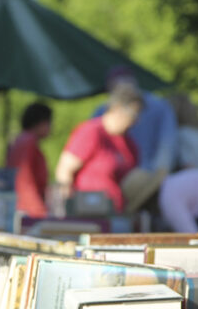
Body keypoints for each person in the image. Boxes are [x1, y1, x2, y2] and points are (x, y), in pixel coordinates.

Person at [55, 81, 141, 213]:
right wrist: (68, 207)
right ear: (117, 108)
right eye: (133, 115)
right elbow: (64, 170)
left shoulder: (129, 143)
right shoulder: (92, 132)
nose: (135, 121)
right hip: (88, 213)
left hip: (117, 213)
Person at [92, 66, 177, 173]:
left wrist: (158, 175)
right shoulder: (102, 111)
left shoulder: (159, 106)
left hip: (144, 173)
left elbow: (167, 143)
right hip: (118, 174)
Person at [6, 102, 53, 218]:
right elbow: (24, 179)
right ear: (41, 122)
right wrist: (38, 210)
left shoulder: (21, 140)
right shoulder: (28, 142)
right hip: (27, 209)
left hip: (22, 205)